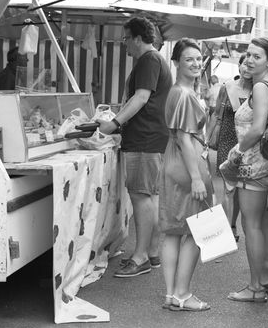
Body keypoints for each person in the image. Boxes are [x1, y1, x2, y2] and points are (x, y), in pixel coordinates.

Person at [98, 17, 172, 278]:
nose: (124, 44)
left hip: (145, 137)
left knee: (142, 197)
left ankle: (140, 257)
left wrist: (114, 123)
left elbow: (141, 97)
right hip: (149, 137)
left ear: (138, 38)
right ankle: (150, 253)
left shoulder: (149, 60)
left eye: (126, 38)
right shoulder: (154, 60)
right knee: (149, 197)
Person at [223, 37, 268, 303]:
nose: (250, 59)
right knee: (264, 225)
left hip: (253, 164)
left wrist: (236, 150)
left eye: (257, 56)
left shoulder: (260, 87)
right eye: (248, 54)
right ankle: (266, 279)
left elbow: (257, 128)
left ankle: (256, 287)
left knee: (252, 226)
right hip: (265, 163)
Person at [159, 38, 212, 312]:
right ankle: (183, 293)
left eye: (198, 58)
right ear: (177, 62)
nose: (195, 63)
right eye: (189, 58)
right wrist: (196, 177)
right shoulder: (185, 94)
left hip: (173, 159)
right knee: (196, 229)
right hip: (186, 161)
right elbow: (185, 137)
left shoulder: (177, 91)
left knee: (172, 230)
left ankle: (171, 294)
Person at [212, 54, 252, 240]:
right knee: (228, 188)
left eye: (250, 64)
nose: (246, 68)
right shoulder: (226, 87)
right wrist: (207, 138)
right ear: (239, 66)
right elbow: (216, 114)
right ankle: (227, 228)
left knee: (238, 189)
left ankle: (232, 224)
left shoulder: (257, 90)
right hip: (227, 139)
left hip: (247, 142)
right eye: (244, 64)